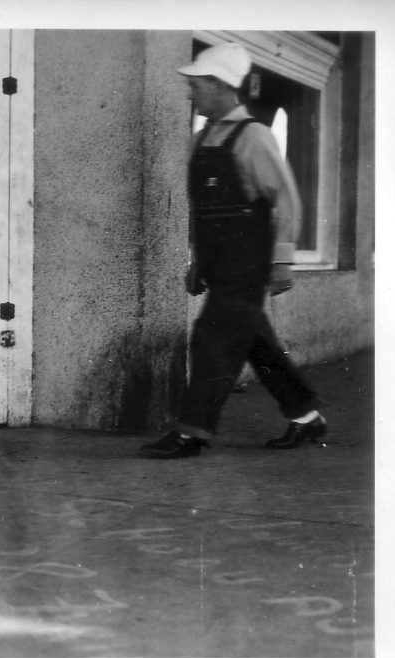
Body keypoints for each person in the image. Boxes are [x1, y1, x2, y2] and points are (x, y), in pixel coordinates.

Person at [140, 42, 326, 460]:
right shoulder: (201, 139)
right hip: (220, 261)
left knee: (212, 339)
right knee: (254, 341)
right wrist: (197, 262)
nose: (191, 94)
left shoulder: (255, 137)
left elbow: (285, 199)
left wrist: (281, 260)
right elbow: (205, 213)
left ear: (220, 85)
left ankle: (192, 432)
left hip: (249, 260)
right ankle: (306, 416)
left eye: (196, 86)